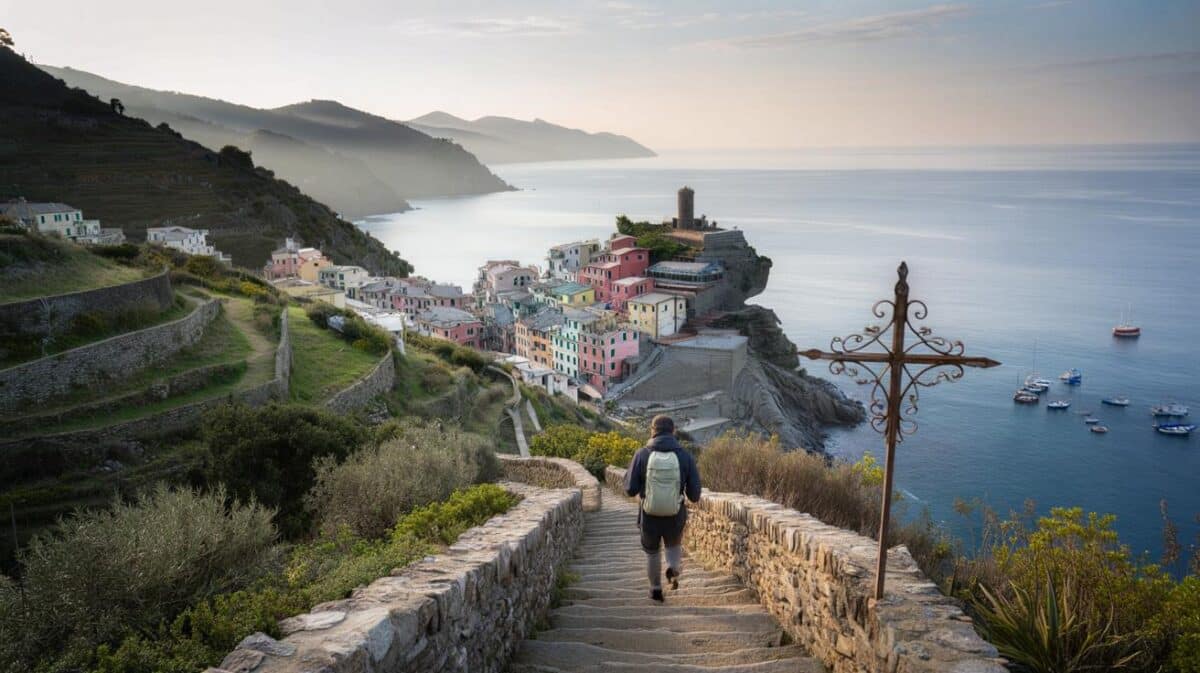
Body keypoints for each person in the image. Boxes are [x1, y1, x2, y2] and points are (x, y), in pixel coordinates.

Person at [623, 415, 701, 602]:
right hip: (675, 515)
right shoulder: (684, 456)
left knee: (652, 551)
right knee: (673, 545)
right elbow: (695, 495)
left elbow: (629, 489)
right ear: (673, 431)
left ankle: (656, 589)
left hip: (649, 516)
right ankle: (673, 569)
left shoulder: (641, 454)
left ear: (652, 430)